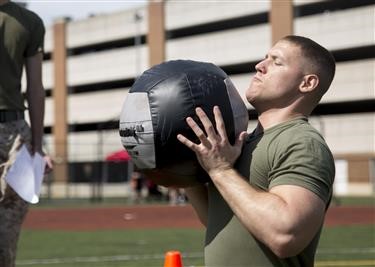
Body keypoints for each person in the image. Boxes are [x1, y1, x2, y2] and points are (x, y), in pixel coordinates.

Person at [177, 35, 336, 266]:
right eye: (264, 59)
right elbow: (221, 218)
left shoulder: (302, 143)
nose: (260, 66)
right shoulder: (241, 142)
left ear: (307, 83)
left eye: (276, 62)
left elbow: (286, 236)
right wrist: (186, 169)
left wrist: (221, 170)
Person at [0, 1, 52, 266]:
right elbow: (36, 89)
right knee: (5, 239)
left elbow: (35, 88)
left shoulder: (30, 23)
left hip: (15, 136)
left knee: (6, 237)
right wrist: (37, 143)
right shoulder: (29, 21)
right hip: (15, 135)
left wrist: (38, 145)